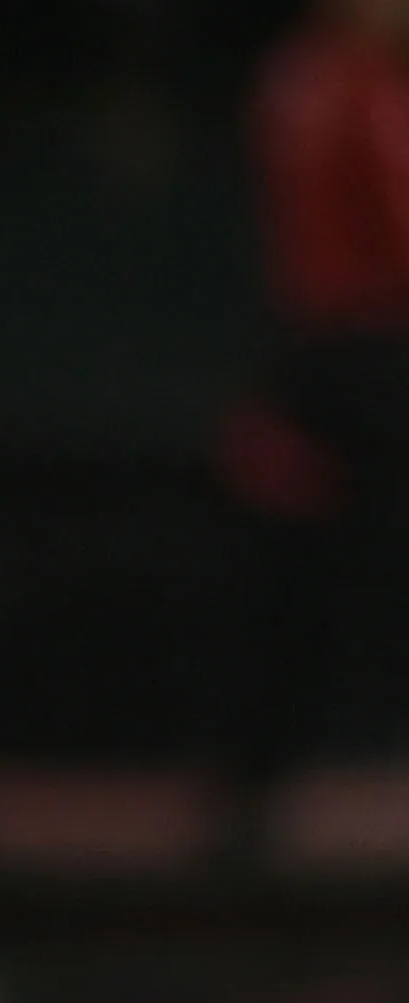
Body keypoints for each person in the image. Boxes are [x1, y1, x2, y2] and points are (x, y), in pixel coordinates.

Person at [223, 0, 409, 857]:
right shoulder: (341, 87)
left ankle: (248, 797)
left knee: (304, 584)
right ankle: (247, 798)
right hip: (358, 362)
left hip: (327, 358)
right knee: (296, 581)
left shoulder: (305, 81)